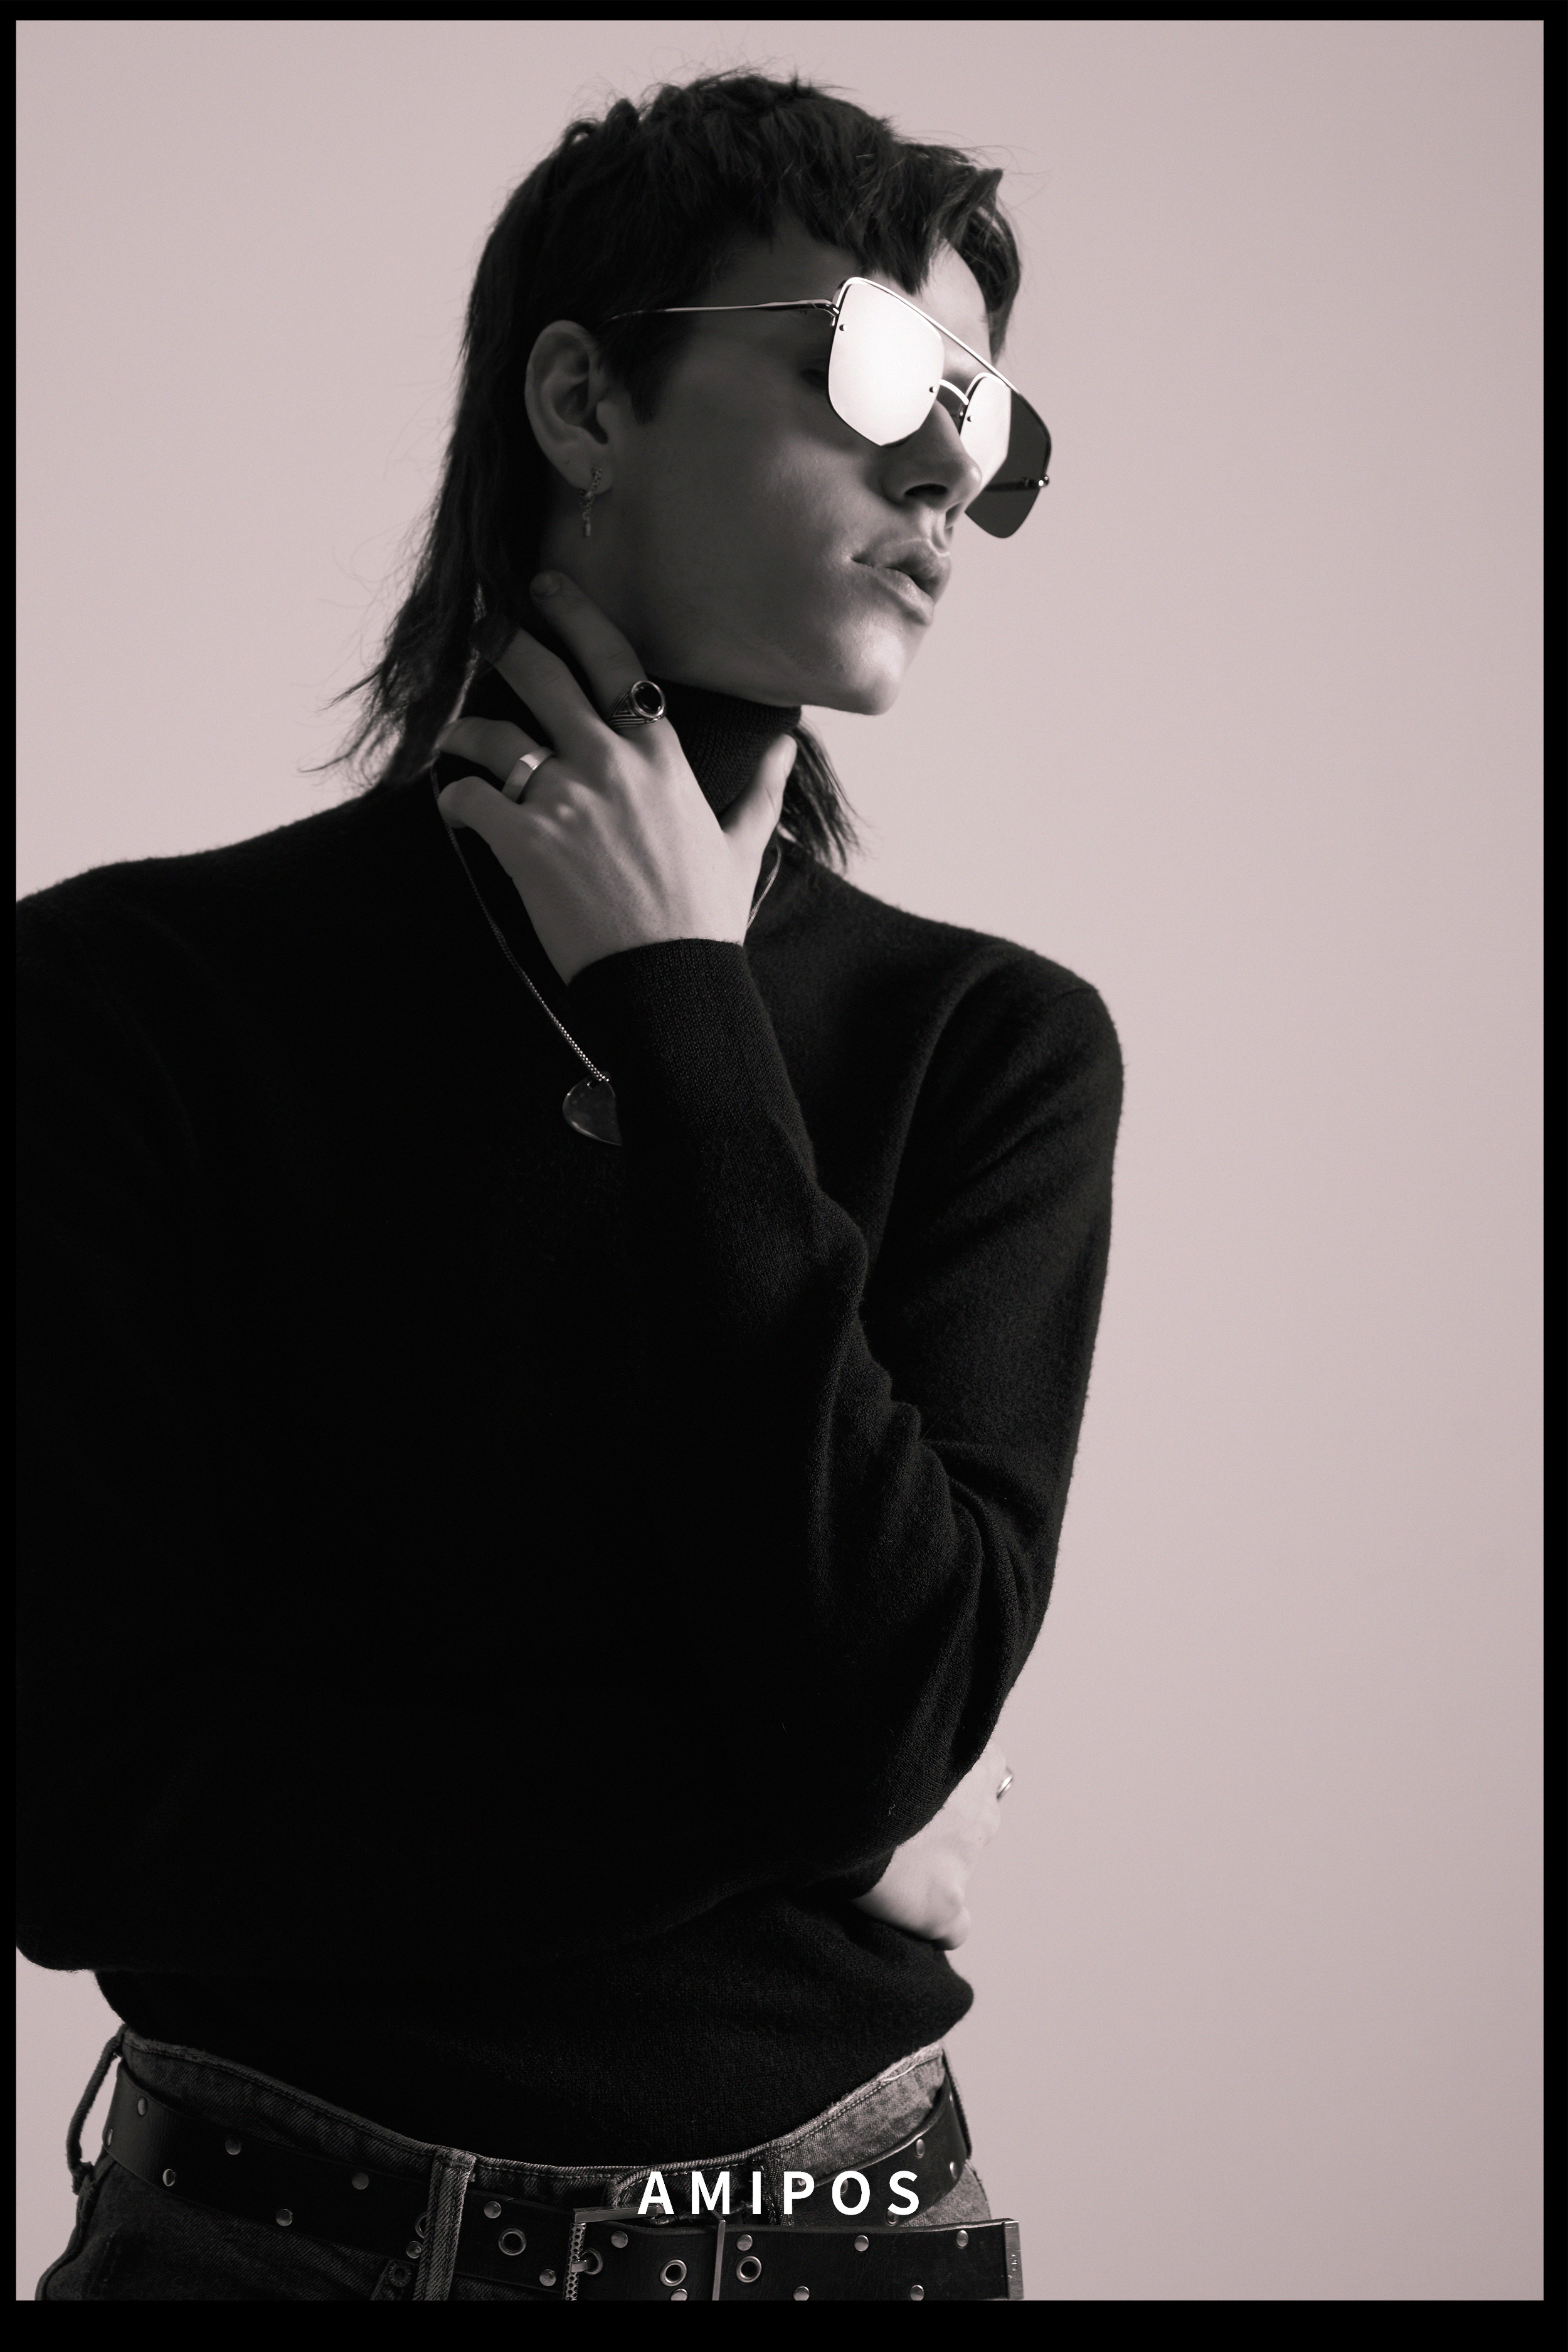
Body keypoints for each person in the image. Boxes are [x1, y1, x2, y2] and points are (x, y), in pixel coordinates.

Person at [18, 68, 1121, 2302]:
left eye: (987, 428)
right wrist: (822, 1815)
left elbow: (885, 1685)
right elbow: (89, 1823)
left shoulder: (990, 1050)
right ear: (585, 399)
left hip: (829, 2240)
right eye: (878, 376)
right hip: (255, 2252)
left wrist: (683, 1008)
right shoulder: (129, 1000)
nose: (942, 472)